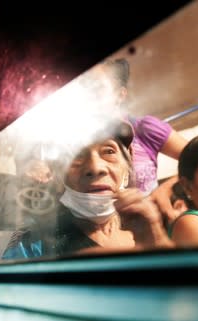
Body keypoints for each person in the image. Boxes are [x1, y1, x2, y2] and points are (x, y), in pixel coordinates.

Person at [2, 118, 174, 259]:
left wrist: (156, 241)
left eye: (109, 151)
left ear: (128, 163)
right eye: (75, 155)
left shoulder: (149, 225)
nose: (95, 167)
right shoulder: (33, 244)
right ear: (58, 172)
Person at [79, 58, 189, 226]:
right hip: (102, 234)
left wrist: (166, 189)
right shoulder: (75, 141)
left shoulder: (144, 128)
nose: (89, 95)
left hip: (151, 228)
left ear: (120, 94)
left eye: (97, 88)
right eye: (85, 88)